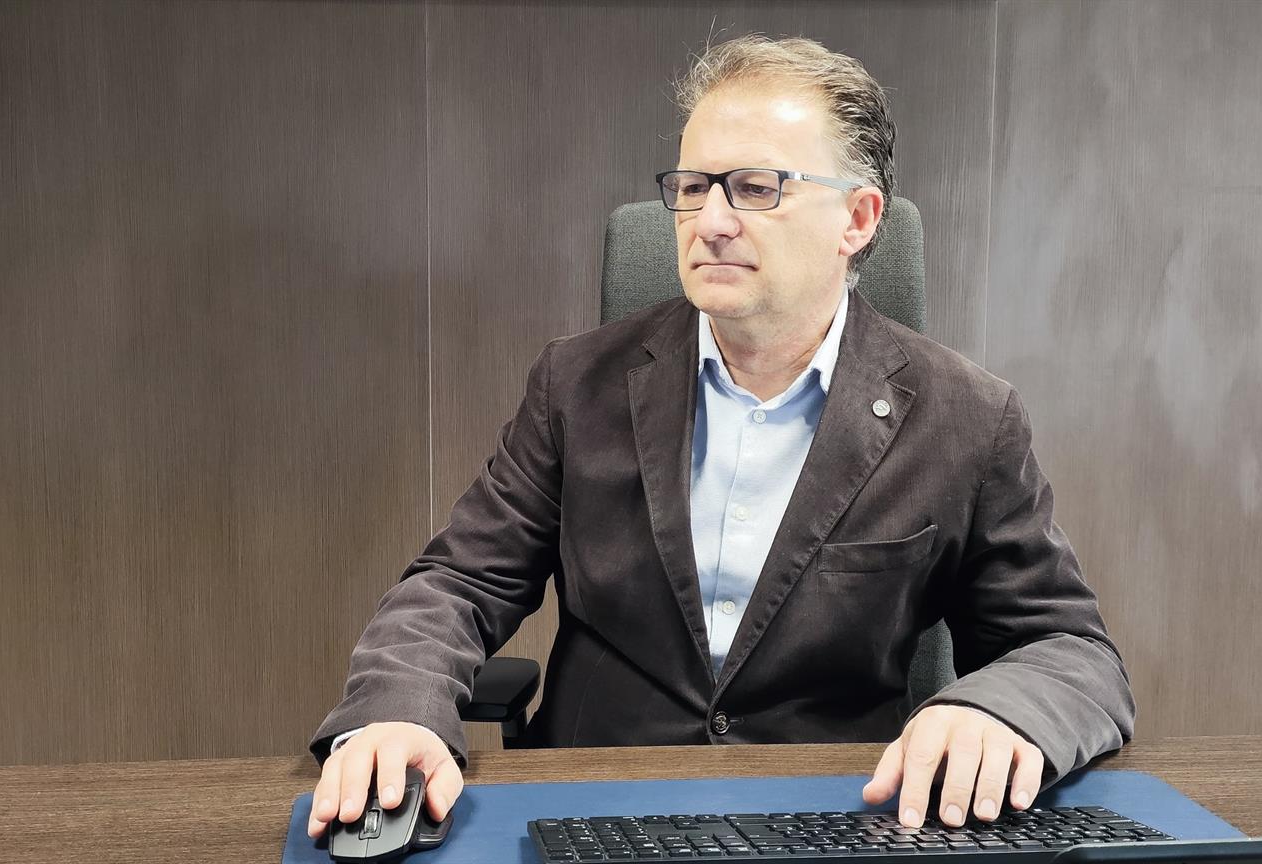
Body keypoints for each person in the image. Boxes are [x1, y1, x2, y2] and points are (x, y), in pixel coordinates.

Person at [306, 34, 1134, 840]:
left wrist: (998, 711)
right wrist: (396, 713)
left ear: (856, 218)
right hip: (594, 810)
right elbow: (459, 583)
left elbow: (1069, 649)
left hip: (835, 816)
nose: (710, 220)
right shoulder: (578, 383)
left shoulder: (966, 418)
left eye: (755, 188)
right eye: (694, 186)